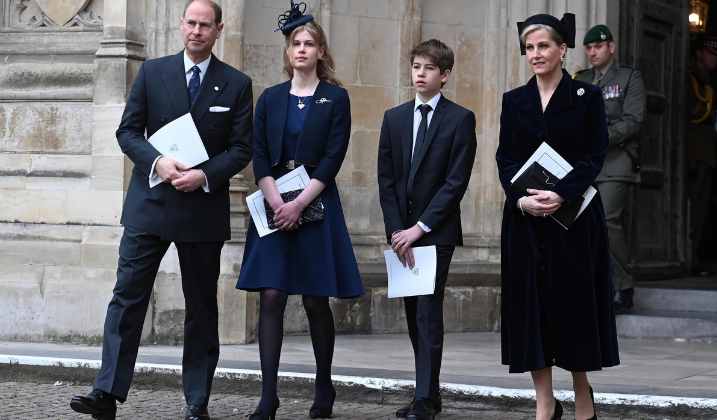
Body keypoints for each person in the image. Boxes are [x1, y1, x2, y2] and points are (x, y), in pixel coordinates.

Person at [69, 1, 253, 419]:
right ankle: (106, 394)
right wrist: (157, 162)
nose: (197, 31)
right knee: (127, 299)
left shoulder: (237, 83)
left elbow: (242, 148)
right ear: (180, 24)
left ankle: (196, 401)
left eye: (206, 25)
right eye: (191, 22)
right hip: (150, 205)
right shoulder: (153, 73)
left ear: (219, 29)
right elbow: (127, 131)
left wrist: (204, 176)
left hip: (201, 210)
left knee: (202, 308)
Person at [235, 3, 364, 419]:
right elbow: (259, 153)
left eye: (310, 43)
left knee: (313, 298)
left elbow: (333, 156)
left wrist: (300, 202)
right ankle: (267, 395)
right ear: (288, 51)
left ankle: (323, 384)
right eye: (296, 44)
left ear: (321, 51)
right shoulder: (271, 98)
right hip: (274, 205)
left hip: (316, 204)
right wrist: (276, 200)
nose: (303, 49)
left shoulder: (335, 98)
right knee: (271, 295)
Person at [496, 13, 619, 420]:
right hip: (526, 222)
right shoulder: (514, 100)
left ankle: (583, 394)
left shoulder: (586, 97)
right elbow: (506, 158)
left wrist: (561, 193)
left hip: (575, 221)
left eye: (543, 46)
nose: (536, 54)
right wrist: (520, 200)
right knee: (531, 310)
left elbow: (594, 154)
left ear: (562, 49)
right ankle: (544, 402)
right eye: (529, 48)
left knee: (574, 308)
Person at [377, 39, 477, 420]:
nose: (420, 73)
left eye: (429, 68)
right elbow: (385, 180)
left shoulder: (460, 119)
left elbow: (455, 183)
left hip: (436, 232)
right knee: (411, 311)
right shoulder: (394, 117)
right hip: (401, 234)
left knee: (427, 312)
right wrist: (396, 230)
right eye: (416, 66)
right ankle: (428, 393)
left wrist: (418, 229)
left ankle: (423, 400)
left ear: (445, 75)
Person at [575, 24, 645, 313]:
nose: (593, 52)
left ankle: (623, 286)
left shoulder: (629, 77)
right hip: (584, 164)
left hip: (616, 161)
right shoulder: (581, 79)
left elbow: (633, 120)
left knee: (607, 221)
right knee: (582, 225)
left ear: (611, 48)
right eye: (589, 48)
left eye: (598, 47)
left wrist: (600, 136)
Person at [687, 34, 717, 277]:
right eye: (711, 54)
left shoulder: (708, 81)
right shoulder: (689, 78)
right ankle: (688, 258)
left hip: (704, 154)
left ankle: (694, 258)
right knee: (691, 209)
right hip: (690, 153)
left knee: (700, 210)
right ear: (700, 53)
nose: (715, 60)